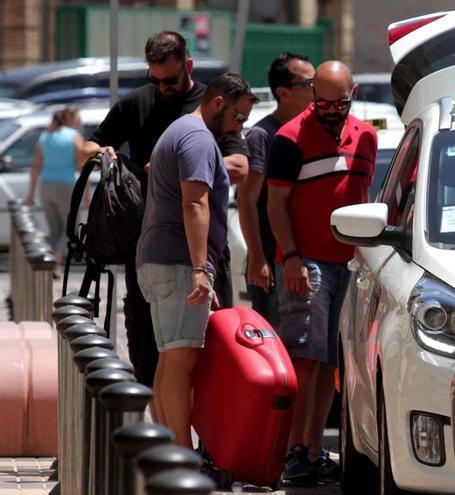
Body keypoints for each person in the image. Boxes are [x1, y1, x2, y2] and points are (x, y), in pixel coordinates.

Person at [80, 31, 249, 388]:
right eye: (154, 79)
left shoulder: (213, 105)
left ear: (188, 66)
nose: (162, 87)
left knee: (206, 355)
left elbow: (240, 166)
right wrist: (101, 155)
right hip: (149, 245)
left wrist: (176, 165)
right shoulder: (138, 102)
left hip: (201, 250)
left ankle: (200, 442)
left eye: (170, 80)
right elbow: (86, 147)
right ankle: (167, 439)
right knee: (151, 357)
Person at [266, 60, 377, 485]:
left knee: (333, 362)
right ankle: (294, 449)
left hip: (350, 262)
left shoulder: (365, 136)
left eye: (340, 102)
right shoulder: (289, 138)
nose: (331, 109)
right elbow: (275, 204)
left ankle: (312, 450)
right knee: (306, 359)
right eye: (324, 102)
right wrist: (290, 258)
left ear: (353, 95)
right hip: (306, 261)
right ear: (312, 94)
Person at [136, 73, 256, 448]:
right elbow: (194, 203)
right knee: (182, 359)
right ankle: (182, 455)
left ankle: (169, 453)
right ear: (219, 102)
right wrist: (201, 270)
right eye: (238, 117)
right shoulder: (198, 139)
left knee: (170, 358)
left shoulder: (182, 130)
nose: (240, 127)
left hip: (161, 260)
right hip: (177, 263)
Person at [241, 53, 314, 327]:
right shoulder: (263, 136)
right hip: (272, 261)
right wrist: (258, 258)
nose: (315, 90)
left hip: (305, 259)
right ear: (283, 92)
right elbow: (247, 200)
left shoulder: (311, 131)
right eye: (308, 84)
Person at [25, 106, 84, 267]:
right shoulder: (74, 137)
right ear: (68, 119)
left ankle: (50, 266)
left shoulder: (44, 137)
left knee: (54, 230)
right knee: (69, 228)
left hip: (46, 186)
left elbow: (36, 167)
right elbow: (82, 166)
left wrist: (30, 195)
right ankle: (55, 264)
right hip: (66, 185)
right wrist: (86, 195)